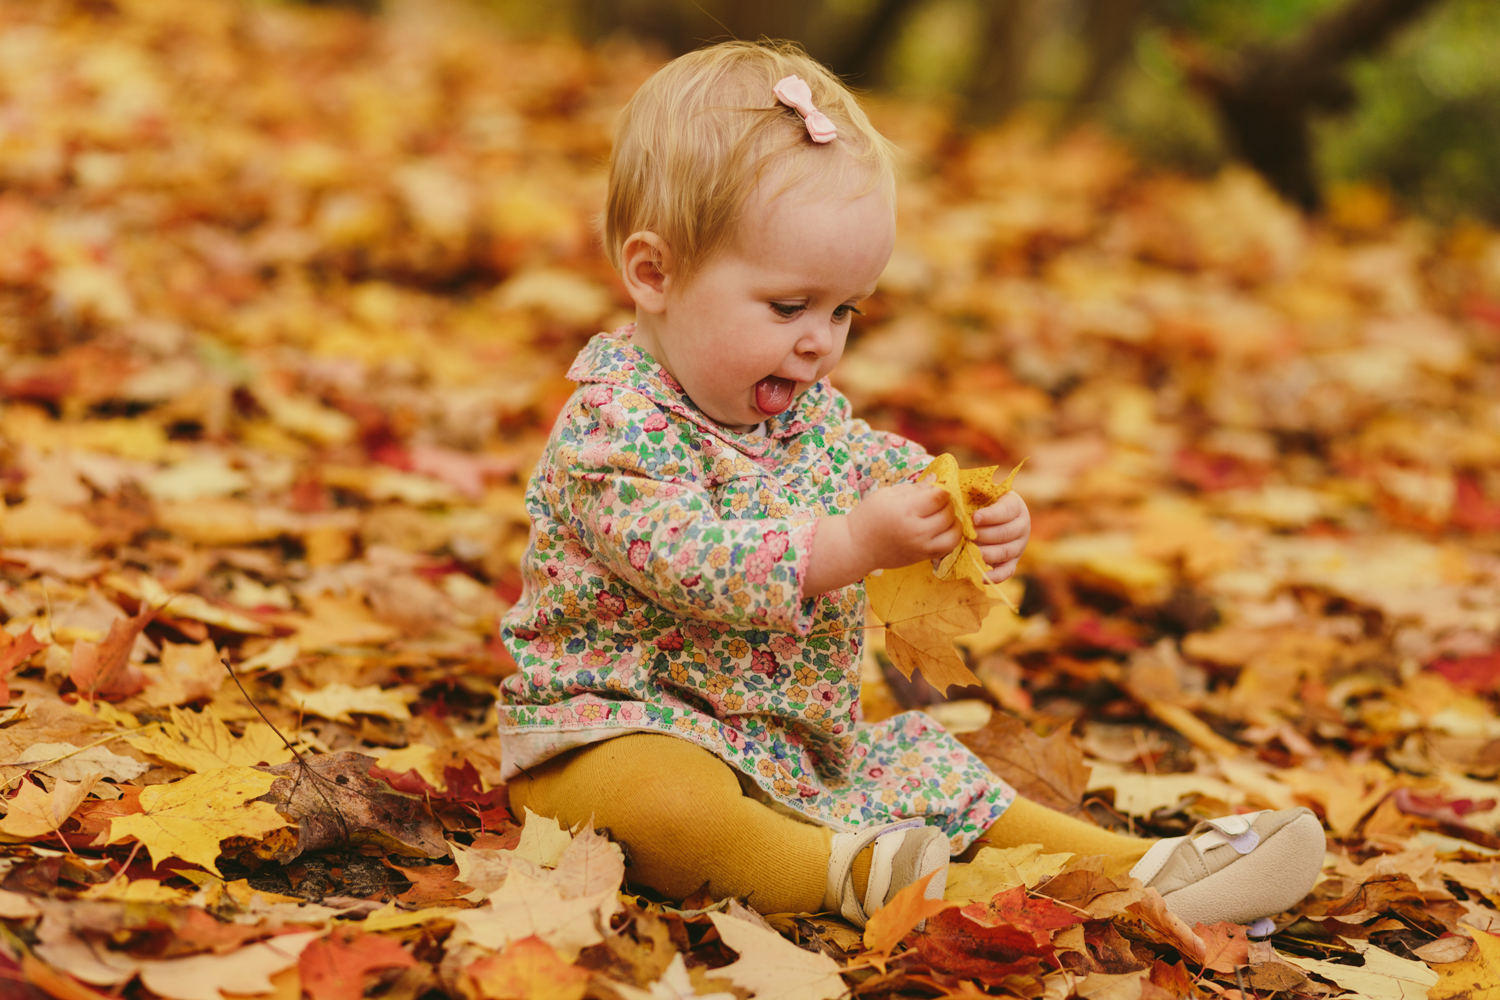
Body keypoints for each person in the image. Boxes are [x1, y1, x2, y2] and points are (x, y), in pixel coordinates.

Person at [499, 40, 1324, 929]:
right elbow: (689, 558)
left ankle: (1137, 871)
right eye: (789, 307)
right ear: (654, 273)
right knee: (668, 808)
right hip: (615, 727)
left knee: (935, 769)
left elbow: (893, 471)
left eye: (845, 309)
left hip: (791, 747)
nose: (820, 340)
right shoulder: (611, 427)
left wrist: (974, 514)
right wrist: (850, 544)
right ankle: (834, 870)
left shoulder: (804, 417)